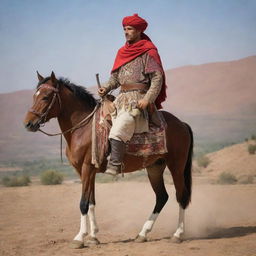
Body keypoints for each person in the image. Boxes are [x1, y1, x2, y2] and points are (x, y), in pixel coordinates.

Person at [98, 14, 167, 176]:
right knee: (99, 123)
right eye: (124, 29)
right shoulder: (122, 52)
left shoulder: (148, 51)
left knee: (119, 128)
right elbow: (115, 78)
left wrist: (147, 99)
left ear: (139, 30)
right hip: (121, 99)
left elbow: (157, 78)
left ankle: (115, 164)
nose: (126, 32)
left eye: (129, 29)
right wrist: (106, 88)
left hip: (138, 101)